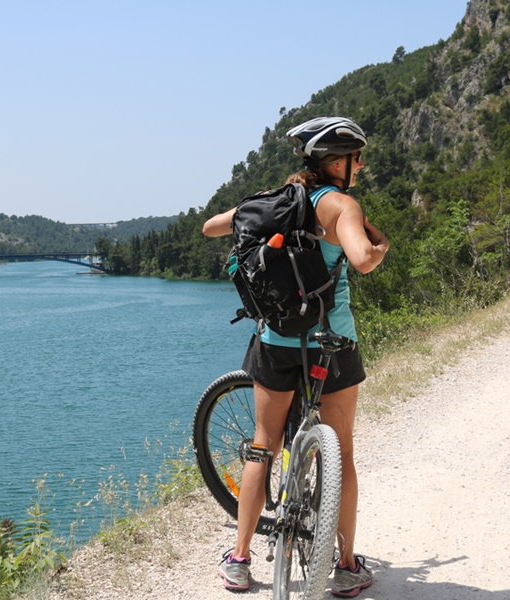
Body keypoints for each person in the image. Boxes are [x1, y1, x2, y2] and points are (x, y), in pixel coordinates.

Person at [202, 117, 389, 597]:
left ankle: (240, 560)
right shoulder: (341, 205)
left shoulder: (277, 201)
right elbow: (363, 260)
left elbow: (211, 228)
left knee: (263, 444)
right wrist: (379, 246)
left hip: (278, 341)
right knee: (342, 453)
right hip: (333, 343)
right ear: (339, 163)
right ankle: (345, 567)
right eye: (356, 159)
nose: (361, 166)